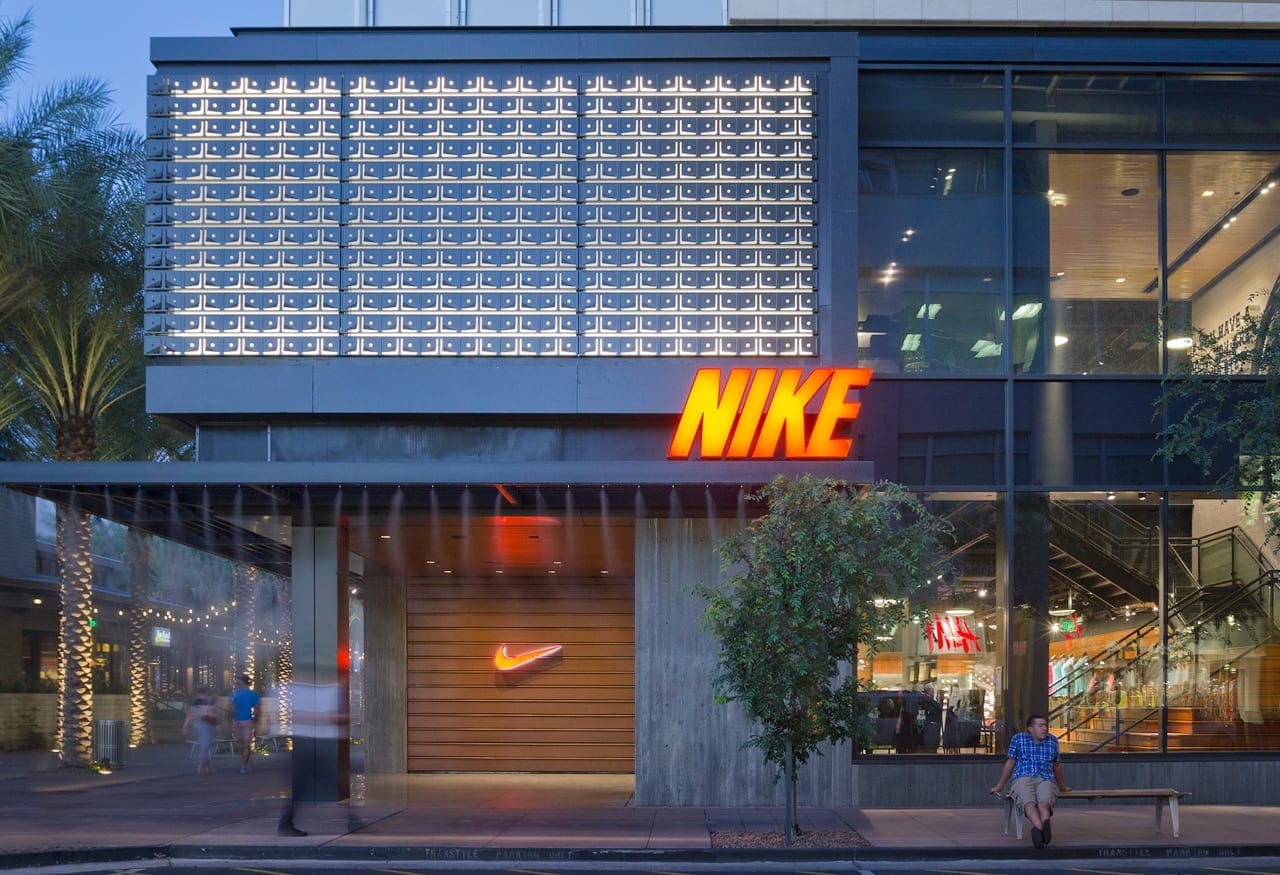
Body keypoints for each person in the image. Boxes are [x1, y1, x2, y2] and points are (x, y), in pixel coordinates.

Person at [989, 714, 1070, 849]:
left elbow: (1057, 766)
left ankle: (1042, 827)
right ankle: (1040, 828)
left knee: (1044, 803)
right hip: (1023, 777)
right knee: (1029, 803)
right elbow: (1010, 763)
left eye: (1045, 725)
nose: (1044, 728)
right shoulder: (1018, 739)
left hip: (1045, 777)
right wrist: (999, 786)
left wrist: (1062, 786)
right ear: (1031, 729)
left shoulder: (1052, 740)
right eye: (1040, 726)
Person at [182, 686, 218, 775]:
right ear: (206, 692)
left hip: (197, 724)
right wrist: (218, 724)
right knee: (205, 746)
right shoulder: (210, 701)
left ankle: (208, 767)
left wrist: (185, 726)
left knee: (204, 745)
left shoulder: (195, 702)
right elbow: (214, 713)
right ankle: (200, 767)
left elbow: (190, 715)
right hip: (208, 725)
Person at [231, 674, 261, 773]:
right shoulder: (252, 694)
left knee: (243, 744)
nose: (236, 683)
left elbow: (232, 708)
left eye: (238, 682)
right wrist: (255, 721)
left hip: (239, 721)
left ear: (242, 682)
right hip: (247, 721)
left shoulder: (236, 694)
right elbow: (257, 709)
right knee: (245, 744)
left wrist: (234, 718)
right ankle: (244, 764)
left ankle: (244, 764)